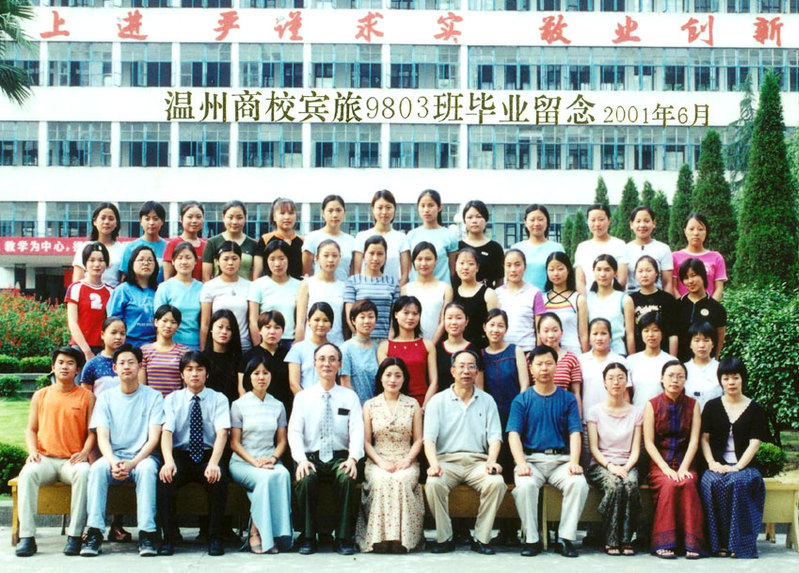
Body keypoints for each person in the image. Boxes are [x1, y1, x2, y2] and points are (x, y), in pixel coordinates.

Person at [81, 345, 163, 558]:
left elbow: (154, 439)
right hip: (113, 457)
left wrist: (132, 463)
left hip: (142, 458)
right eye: (122, 363)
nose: (127, 367)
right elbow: (102, 437)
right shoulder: (106, 398)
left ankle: (147, 533)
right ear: (115, 368)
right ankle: (94, 532)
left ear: (140, 366)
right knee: (97, 469)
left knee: (147, 470)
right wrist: (112, 461)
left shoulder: (154, 397)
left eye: (131, 362)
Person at [507, 345, 588, 557]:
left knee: (578, 483)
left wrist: (574, 461)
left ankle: (565, 538)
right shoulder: (522, 400)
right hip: (531, 461)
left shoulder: (568, 398)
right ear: (531, 368)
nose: (544, 368)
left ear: (556, 366)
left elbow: (575, 432)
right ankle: (532, 539)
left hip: (561, 460)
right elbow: (513, 435)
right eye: (539, 364)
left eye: (549, 363)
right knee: (524, 486)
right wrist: (521, 463)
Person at [424, 349, 506, 555]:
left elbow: (495, 437)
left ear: (477, 372)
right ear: (452, 371)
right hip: (447, 461)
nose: (466, 371)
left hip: (478, 462)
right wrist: (434, 464)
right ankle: (445, 537)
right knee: (433, 484)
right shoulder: (437, 401)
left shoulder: (487, 400)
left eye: (471, 367)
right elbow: (429, 439)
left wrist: (492, 461)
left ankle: (481, 538)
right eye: (461, 366)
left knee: (496, 483)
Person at [15, 347, 94, 558]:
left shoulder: (87, 396)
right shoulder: (41, 395)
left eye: (70, 363)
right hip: (45, 459)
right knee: (28, 473)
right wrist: (32, 451)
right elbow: (31, 429)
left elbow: (92, 432)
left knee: (84, 473)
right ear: (53, 367)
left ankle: (75, 536)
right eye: (60, 362)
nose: (64, 367)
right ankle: (26, 537)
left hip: (72, 460)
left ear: (77, 369)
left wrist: (85, 452)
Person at [288, 343, 364, 556]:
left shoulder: (349, 397)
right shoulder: (303, 397)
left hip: (340, 457)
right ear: (314, 364)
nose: (327, 364)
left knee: (346, 478)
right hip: (311, 456)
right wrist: (301, 460)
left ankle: (342, 537)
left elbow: (357, 430)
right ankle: (307, 536)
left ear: (339, 364)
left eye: (332, 359)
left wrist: (353, 459)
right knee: (305, 479)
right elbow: (294, 431)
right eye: (322, 359)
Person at [157, 351, 231, 556]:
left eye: (199, 369)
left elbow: (222, 433)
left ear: (207, 373)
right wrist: (168, 461)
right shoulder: (172, 399)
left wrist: (214, 463)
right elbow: (166, 432)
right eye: (189, 369)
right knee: (165, 479)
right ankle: (168, 537)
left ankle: (214, 537)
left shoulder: (219, 399)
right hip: (181, 454)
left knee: (219, 480)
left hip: (208, 454)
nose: (194, 374)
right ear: (182, 374)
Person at [700, 357, 769, 559]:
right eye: (726, 378)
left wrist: (737, 467)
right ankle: (717, 544)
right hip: (717, 464)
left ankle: (738, 544)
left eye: (735, 377)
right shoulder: (712, 406)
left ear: (742, 379)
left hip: (744, 466)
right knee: (710, 482)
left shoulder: (755, 409)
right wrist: (712, 463)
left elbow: (754, 443)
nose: (731, 382)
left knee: (738, 482)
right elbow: (704, 439)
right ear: (720, 381)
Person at [356, 357, 424, 553]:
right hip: (378, 459)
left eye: (398, 375)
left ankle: (402, 540)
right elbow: (366, 442)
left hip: (405, 458)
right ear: (381, 378)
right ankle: (379, 539)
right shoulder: (370, 405)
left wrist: (408, 460)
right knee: (383, 479)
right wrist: (380, 462)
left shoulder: (412, 404)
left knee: (401, 480)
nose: (392, 380)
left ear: (404, 378)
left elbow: (418, 439)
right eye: (388, 375)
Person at [643, 360, 707, 559]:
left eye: (680, 376)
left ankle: (691, 544)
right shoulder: (652, 405)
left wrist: (684, 467)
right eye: (670, 376)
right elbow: (649, 443)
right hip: (660, 464)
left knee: (688, 482)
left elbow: (694, 441)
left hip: (685, 462)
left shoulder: (693, 405)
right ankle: (664, 543)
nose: (675, 380)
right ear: (662, 379)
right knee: (669, 485)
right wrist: (666, 469)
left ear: (685, 379)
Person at [229, 356, 293, 554]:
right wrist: (255, 462)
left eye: (265, 373)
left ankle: (276, 535)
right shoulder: (239, 405)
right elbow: (234, 443)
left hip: (270, 460)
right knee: (265, 479)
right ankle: (256, 533)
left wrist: (273, 459)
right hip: (243, 462)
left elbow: (282, 441)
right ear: (249, 377)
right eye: (256, 373)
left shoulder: (278, 405)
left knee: (283, 474)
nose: (261, 377)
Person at [481, 309, 529, 543]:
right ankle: (501, 528)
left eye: (500, 325)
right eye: (491, 325)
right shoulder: (481, 355)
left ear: (506, 328)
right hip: (491, 420)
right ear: (484, 327)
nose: (496, 329)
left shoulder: (515, 351)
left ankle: (516, 528)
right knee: (496, 469)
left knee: (515, 468)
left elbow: (524, 386)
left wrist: (518, 416)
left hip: (515, 417)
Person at [586, 362, 643, 556]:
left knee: (630, 484)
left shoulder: (636, 413)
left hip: (627, 464)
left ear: (627, 381)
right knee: (615, 485)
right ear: (604, 382)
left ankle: (626, 539)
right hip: (601, 465)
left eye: (620, 378)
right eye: (611, 378)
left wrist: (625, 467)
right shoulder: (594, 411)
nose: (616, 382)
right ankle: (611, 539)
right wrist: (610, 466)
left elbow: (635, 450)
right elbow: (594, 448)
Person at [378, 296, 437, 408]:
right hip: (395, 404)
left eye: (415, 313)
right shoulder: (385, 347)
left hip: (423, 402)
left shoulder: (428, 345)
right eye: (406, 313)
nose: (410, 317)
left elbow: (434, 381)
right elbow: (386, 381)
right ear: (396, 314)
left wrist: (424, 407)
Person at [344, 235, 399, 340]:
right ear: (364, 255)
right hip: (360, 341)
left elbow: (394, 317)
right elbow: (349, 317)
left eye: (380, 254)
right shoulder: (353, 281)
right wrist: (361, 338)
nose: (375, 258)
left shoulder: (393, 282)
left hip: (385, 340)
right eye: (371, 253)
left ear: (385, 256)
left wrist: (389, 339)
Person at [200, 240, 252, 351]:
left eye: (234, 259)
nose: (230, 263)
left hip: (243, 346)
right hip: (218, 347)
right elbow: (205, 323)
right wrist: (204, 351)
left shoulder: (250, 286)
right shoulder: (209, 286)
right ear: (217, 261)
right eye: (226, 259)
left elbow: (252, 320)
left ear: (240, 260)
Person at [248, 238, 300, 348]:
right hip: (265, 341)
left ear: (288, 259)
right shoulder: (257, 285)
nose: (277, 264)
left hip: (290, 342)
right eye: (272, 259)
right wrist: (258, 347)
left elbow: (301, 320)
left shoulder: (299, 286)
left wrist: (297, 344)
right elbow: (253, 320)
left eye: (282, 258)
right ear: (266, 260)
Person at [239, 311, 292, 420]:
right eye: (267, 327)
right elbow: (242, 387)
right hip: (256, 411)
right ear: (259, 330)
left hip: (284, 410)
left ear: (282, 331)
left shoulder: (289, 355)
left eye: (277, 328)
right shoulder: (249, 355)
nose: (272, 332)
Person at [66, 242, 113, 361]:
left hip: (103, 349)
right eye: (91, 260)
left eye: (101, 260)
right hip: (79, 347)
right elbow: (72, 322)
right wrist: (86, 350)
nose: (96, 264)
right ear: (85, 263)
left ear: (106, 264)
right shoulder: (76, 288)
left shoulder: (111, 291)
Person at [353, 190, 410, 286]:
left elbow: (405, 274)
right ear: (373, 209)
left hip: (392, 291)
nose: (384, 212)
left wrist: (396, 291)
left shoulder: (401, 238)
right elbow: (356, 271)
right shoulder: (361, 237)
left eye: (388, 208)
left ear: (394, 209)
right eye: (380, 208)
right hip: (365, 290)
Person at [296, 239, 346, 346]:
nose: (330, 260)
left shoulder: (344, 287)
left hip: (337, 343)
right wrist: (298, 346)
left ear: (339, 258)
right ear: (317, 258)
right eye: (326, 255)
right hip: (311, 343)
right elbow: (300, 321)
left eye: (334, 256)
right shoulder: (307, 284)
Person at [675, 258, 727, 362]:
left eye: (693, 275)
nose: (690, 281)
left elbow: (720, 337)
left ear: (703, 275)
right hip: (680, 363)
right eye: (686, 278)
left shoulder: (716, 308)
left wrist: (716, 359)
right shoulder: (677, 306)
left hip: (706, 362)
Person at [154, 242, 203, 349]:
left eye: (188, 258)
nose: (184, 262)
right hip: (171, 344)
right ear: (173, 261)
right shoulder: (164, 287)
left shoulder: (202, 288)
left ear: (195, 261)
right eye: (180, 258)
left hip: (196, 343)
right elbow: (159, 322)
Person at [107, 245, 158, 347]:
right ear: (132, 264)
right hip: (129, 345)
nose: (146, 263)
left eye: (150, 260)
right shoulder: (122, 290)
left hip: (153, 346)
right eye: (141, 260)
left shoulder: (159, 290)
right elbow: (113, 321)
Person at [496, 249, 546, 353]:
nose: (513, 269)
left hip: (527, 350)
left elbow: (539, 329)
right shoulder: (497, 293)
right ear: (504, 267)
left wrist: (536, 355)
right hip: (503, 352)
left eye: (517, 265)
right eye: (508, 265)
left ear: (525, 267)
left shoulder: (534, 293)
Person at [402, 241, 452, 342]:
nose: (423, 263)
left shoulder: (446, 288)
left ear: (435, 260)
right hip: (411, 343)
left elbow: (444, 321)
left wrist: (431, 346)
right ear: (413, 262)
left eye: (428, 259)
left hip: (437, 343)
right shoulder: (406, 289)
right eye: (419, 259)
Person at [586, 254, 635, 356]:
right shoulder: (586, 299)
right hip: (594, 356)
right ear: (593, 272)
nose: (602, 274)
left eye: (607, 270)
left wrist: (631, 359)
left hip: (618, 354)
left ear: (615, 273)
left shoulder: (624, 299)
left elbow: (630, 334)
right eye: (599, 269)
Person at [628, 312, 678, 411]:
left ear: (662, 332)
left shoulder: (671, 361)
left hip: (663, 415)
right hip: (637, 415)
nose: (650, 335)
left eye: (655, 330)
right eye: (646, 331)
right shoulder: (631, 361)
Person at [574, 204, 628, 294]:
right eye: (593, 220)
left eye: (601, 219)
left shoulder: (619, 244)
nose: (597, 224)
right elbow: (580, 281)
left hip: (614, 297)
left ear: (609, 220)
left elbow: (622, 279)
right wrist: (585, 299)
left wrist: (608, 298)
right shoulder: (582, 247)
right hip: (589, 298)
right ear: (587, 221)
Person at [452, 247, 499, 348]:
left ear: (477, 267)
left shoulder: (488, 294)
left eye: (470, 264)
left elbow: (495, 325)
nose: (465, 267)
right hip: (456, 347)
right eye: (461, 263)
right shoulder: (451, 292)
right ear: (455, 266)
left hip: (481, 347)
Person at [407, 189, 458, 284]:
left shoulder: (449, 235)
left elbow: (453, 271)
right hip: (416, 289)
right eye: (422, 206)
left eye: (431, 205)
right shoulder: (411, 235)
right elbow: (408, 268)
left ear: (439, 207)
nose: (426, 210)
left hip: (442, 288)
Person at [672, 212, 727, 301]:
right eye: (691, 229)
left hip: (709, 307)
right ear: (685, 231)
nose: (696, 233)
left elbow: (719, 288)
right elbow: (673, 287)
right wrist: (682, 306)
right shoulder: (674, 257)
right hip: (681, 307)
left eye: (700, 229)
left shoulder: (716, 257)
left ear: (706, 232)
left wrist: (710, 306)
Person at [629, 255, 678, 355]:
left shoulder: (667, 299)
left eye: (648, 270)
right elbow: (630, 333)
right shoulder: (630, 300)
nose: (644, 275)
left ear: (656, 273)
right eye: (640, 271)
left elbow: (673, 334)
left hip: (663, 354)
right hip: (640, 354)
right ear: (635, 274)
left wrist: (672, 359)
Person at [537, 312, 583, 416]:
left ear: (562, 332)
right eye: (546, 331)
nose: (551, 335)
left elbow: (576, 392)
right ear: (539, 333)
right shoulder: (532, 358)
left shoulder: (571, 358)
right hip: (538, 412)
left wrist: (578, 419)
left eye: (555, 330)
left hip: (563, 412)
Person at [510, 204, 564, 292]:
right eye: (532, 220)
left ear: (547, 221)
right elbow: (509, 278)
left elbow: (564, 278)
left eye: (540, 219)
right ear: (525, 222)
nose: (536, 223)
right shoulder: (516, 249)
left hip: (549, 297)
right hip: (522, 297)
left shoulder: (557, 248)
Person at [302, 194, 355, 282]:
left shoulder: (351, 240)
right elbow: (306, 274)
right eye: (330, 211)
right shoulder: (312, 238)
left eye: (338, 210)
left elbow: (353, 272)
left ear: (344, 213)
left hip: (344, 288)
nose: (335, 215)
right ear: (323, 213)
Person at [140, 305, 191, 397]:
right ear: (156, 322)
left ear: (178, 326)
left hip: (175, 402)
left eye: (173, 322)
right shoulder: (144, 351)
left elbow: (186, 386)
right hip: (151, 402)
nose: (168, 325)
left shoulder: (184, 351)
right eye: (164, 321)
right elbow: (141, 386)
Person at [71, 203, 125, 288]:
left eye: (111, 219)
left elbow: (123, 281)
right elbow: (77, 281)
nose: (106, 222)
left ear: (116, 223)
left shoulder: (123, 250)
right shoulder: (84, 247)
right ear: (95, 221)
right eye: (103, 218)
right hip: (88, 294)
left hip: (113, 294)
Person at [545, 251, 588, 354]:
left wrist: (585, 356)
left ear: (568, 270)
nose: (556, 273)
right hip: (548, 354)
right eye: (551, 269)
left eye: (560, 269)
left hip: (573, 352)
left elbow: (583, 335)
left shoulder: (578, 299)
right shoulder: (542, 299)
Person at [202, 200, 257, 281]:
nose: (234, 222)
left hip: (246, 288)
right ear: (223, 217)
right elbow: (206, 277)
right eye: (230, 217)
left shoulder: (254, 244)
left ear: (245, 218)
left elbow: (257, 277)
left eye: (239, 218)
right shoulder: (212, 243)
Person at [286, 302, 334, 392]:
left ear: (331, 323)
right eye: (316, 320)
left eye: (325, 320)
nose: (321, 324)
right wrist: (306, 399)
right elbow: (294, 384)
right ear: (308, 321)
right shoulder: (297, 349)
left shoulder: (335, 350)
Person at [253, 197, 304, 280]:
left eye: (291, 213)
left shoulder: (303, 242)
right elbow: (257, 274)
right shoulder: (265, 240)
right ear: (274, 217)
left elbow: (305, 273)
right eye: (282, 213)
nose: (287, 217)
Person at [625, 206, 673, 294]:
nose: (642, 225)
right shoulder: (624, 250)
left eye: (646, 221)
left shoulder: (663, 249)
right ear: (631, 225)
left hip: (657, 297)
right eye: (638, 221)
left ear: (654, 223)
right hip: (631, 297)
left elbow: (667, 283)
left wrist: (667, 301)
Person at [457, 200, 504, 289]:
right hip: (460, 296)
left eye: (479, 217)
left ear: (486, 220)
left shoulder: (495, 248)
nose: (474, 221)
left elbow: (499, 280)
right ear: (464, 221)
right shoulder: (457, 247)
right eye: (470, 217)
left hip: (487, 295)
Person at [340, 299, 380, 404]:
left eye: (371, 317)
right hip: (355, 407)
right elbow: (345, 384)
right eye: (362, 317)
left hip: (377, 407)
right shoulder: (346, 348)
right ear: (353, 320)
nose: (367, 321)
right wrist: (357, 408)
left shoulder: (378, 348)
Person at [119, 201, 168, 284]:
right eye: (147, 219)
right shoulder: (131, 247)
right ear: (141, 221)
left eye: (155, 219)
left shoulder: (168, 247)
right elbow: (125, 277)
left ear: (162, 221)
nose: (151, 223)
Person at [202, 309, 243, 405]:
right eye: (220, 327)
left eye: (229, 329)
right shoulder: (202, 359)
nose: (224, 332)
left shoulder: (239, 360)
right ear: (211, 329)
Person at [435, 302, 478, 392]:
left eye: (458, 318)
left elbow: (479, 385)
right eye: (449, 318)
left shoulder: (474, 350)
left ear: (466, 321)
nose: (454, 322)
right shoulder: (436, 349)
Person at [80, 317, 126, 395]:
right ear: (102, 335)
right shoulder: (92, 364)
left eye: (122, 333)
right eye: (113, 333)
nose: (118, 337)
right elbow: (86, 396)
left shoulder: (129, 362)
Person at [162, 201, 206, 281]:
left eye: (198, 217)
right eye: (190, 217)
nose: (194, 221)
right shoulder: (173, 244)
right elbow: (167, 278)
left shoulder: (206, 246)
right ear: (181, 219)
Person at [684, 321, 722, 410]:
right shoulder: (683, 369)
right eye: (697, 340)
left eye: (706, 340)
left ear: (713, 344)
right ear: (690, 344)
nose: (701, 345)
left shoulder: (720, 368)